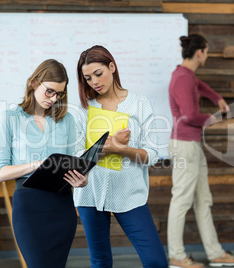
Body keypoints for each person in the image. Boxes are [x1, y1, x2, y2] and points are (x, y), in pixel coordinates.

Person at [72, 45, 168, 268]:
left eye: (99, 73)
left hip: (130, 194)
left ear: (112, 67)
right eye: (87, 78)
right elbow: (77, 156)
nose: (94, 82)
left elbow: (151, 155)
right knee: (100, 262)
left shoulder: (139, 104)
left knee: (156, 261)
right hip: (90, 195)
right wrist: (110, 145)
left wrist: (121, 149)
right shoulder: (83, 109)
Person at [0, 59, 88, 268]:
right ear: (35, 83)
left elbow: (71, 163)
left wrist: (81, 180)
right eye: (50, 92)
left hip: (61, 207)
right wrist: (36, 165)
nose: (54, 99)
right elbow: (0, 172)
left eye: (59, 94)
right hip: (29, 207)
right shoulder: (9, 118)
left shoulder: (67, 120)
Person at [167, 34, 234, 268]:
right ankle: (177, 256)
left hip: (192, 146)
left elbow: (200, 86)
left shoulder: (187, 75)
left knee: (204, 201)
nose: (208, 55)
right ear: (199, 52)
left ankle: (215, 253)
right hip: (185, 146)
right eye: (207, 51)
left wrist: (217, 98)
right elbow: (190, 116)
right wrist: (214, 118)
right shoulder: (181, 78)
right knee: (181, 201)